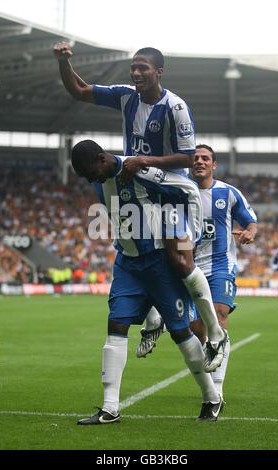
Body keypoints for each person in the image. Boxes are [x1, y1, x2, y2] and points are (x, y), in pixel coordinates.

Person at [53, 44, 227, 370]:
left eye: (143, 68)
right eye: (133, 67)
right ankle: (153, 317)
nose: (136, 73)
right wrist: (64, 60)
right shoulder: (125, 96)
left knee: (178, 258)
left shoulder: (175, 107)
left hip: (168, 191)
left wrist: (145, 159)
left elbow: (189, 158)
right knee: (135, 253)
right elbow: (78, 90)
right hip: (135, 189)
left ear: (158, 71)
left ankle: (215, 333)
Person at [71, 139, 223, 424]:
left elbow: (188, 188)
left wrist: (192, 235)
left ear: (103, 159)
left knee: (181, 333)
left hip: (158, 265)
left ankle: (211, 397)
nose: (92, 180)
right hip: (127, 264)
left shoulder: (138, 170)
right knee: (116, 325)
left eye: (92, 173)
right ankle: (109, 407)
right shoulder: (99, 178)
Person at [138, 144, 258, 403]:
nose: (200, 162)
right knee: (196, 330)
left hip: (219, 267)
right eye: (196, 158)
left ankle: (217, 389)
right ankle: (207, 364)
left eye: (206, 158)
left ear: (214, 165)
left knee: (218, 317)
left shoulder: (228, 193)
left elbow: (250, 220)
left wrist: (250, 232)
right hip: (187, 267)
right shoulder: (177, 190)